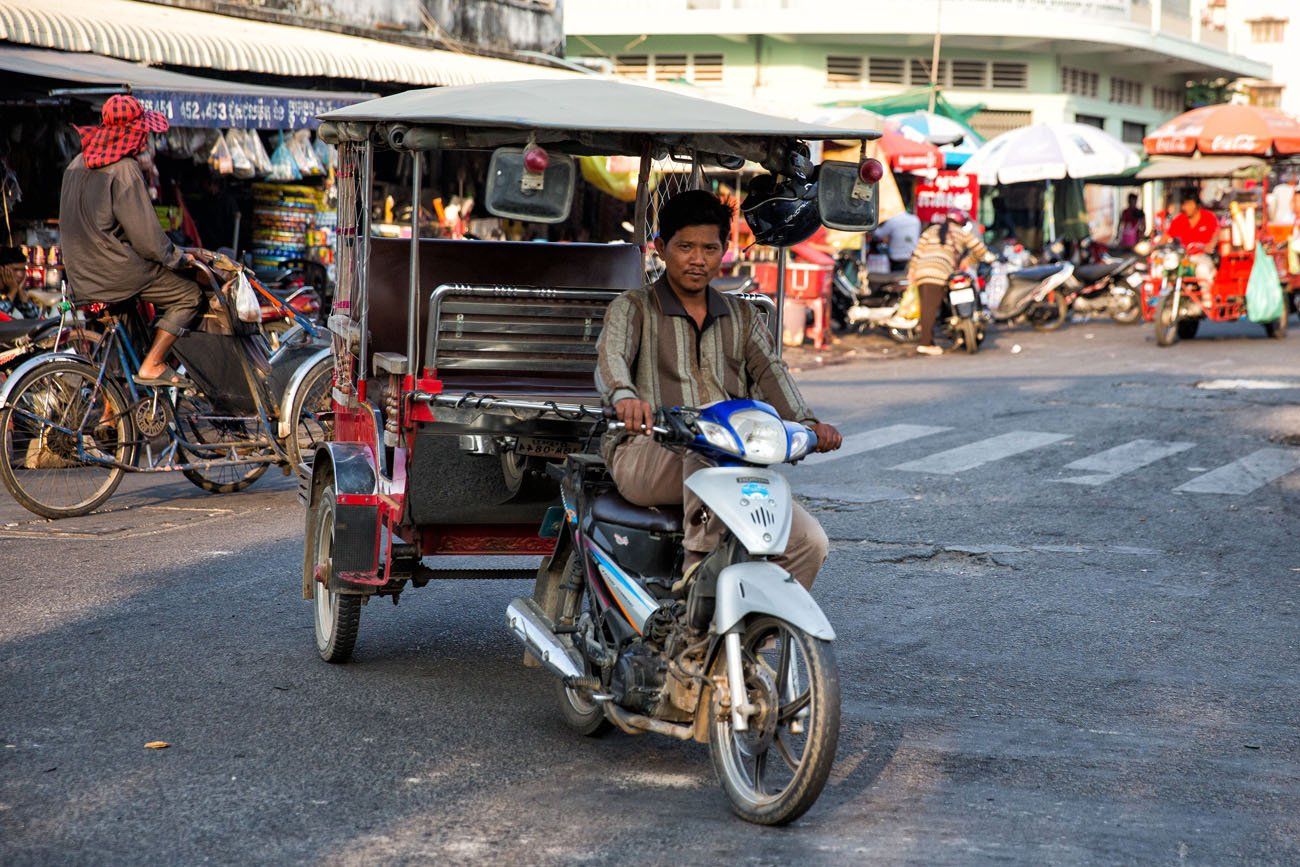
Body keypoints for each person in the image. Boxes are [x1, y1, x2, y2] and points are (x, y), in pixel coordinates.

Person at [595, 190, 843, 589]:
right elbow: (611, 359)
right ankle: (698, 571)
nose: (698, 259)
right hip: (647, 455)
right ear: (661, 248)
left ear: (724, 250)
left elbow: (772, 372)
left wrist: (809, 424)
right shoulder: (634, 307)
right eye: (685, 247)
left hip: (734, 460)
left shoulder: (742, 315)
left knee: (807, 542)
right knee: (707, 445)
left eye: (709, 248)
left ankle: (748, 642)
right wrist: (624, 396)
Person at [59, 94, 201, 387]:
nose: (145, 139)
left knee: (127, 340)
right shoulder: (124, 169)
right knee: (188, 295)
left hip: (79, 273)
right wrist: (179, 259)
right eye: (143, 133)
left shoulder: (75, 164)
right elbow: (148, 239)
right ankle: (153, 364)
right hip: (114, 272)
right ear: (132, 133)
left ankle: (113, 415)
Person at [906, 208, 992, 356]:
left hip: (921, 270)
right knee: (930, 310)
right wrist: (968, 261)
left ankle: (929, 341)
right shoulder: (961, 232)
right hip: (939, 272)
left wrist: (912, 271)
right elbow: (981, 250)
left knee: (927, 308)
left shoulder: (931, 230)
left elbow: (917, 252)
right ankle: (925, 344)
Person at [1162, 193, 1219, 284]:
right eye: (1184, 204)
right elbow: (1167, 236)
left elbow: (1216, 234)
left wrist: (1210, 245)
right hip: (1183, 257)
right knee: (1163, 269)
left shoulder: (1209, 217)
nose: (1185, 207)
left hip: (1202, 256)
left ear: (1196, 204)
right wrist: (1155, 246)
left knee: (1202, 271)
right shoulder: (1179, 219)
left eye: (1189, 204)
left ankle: (1206, 297)